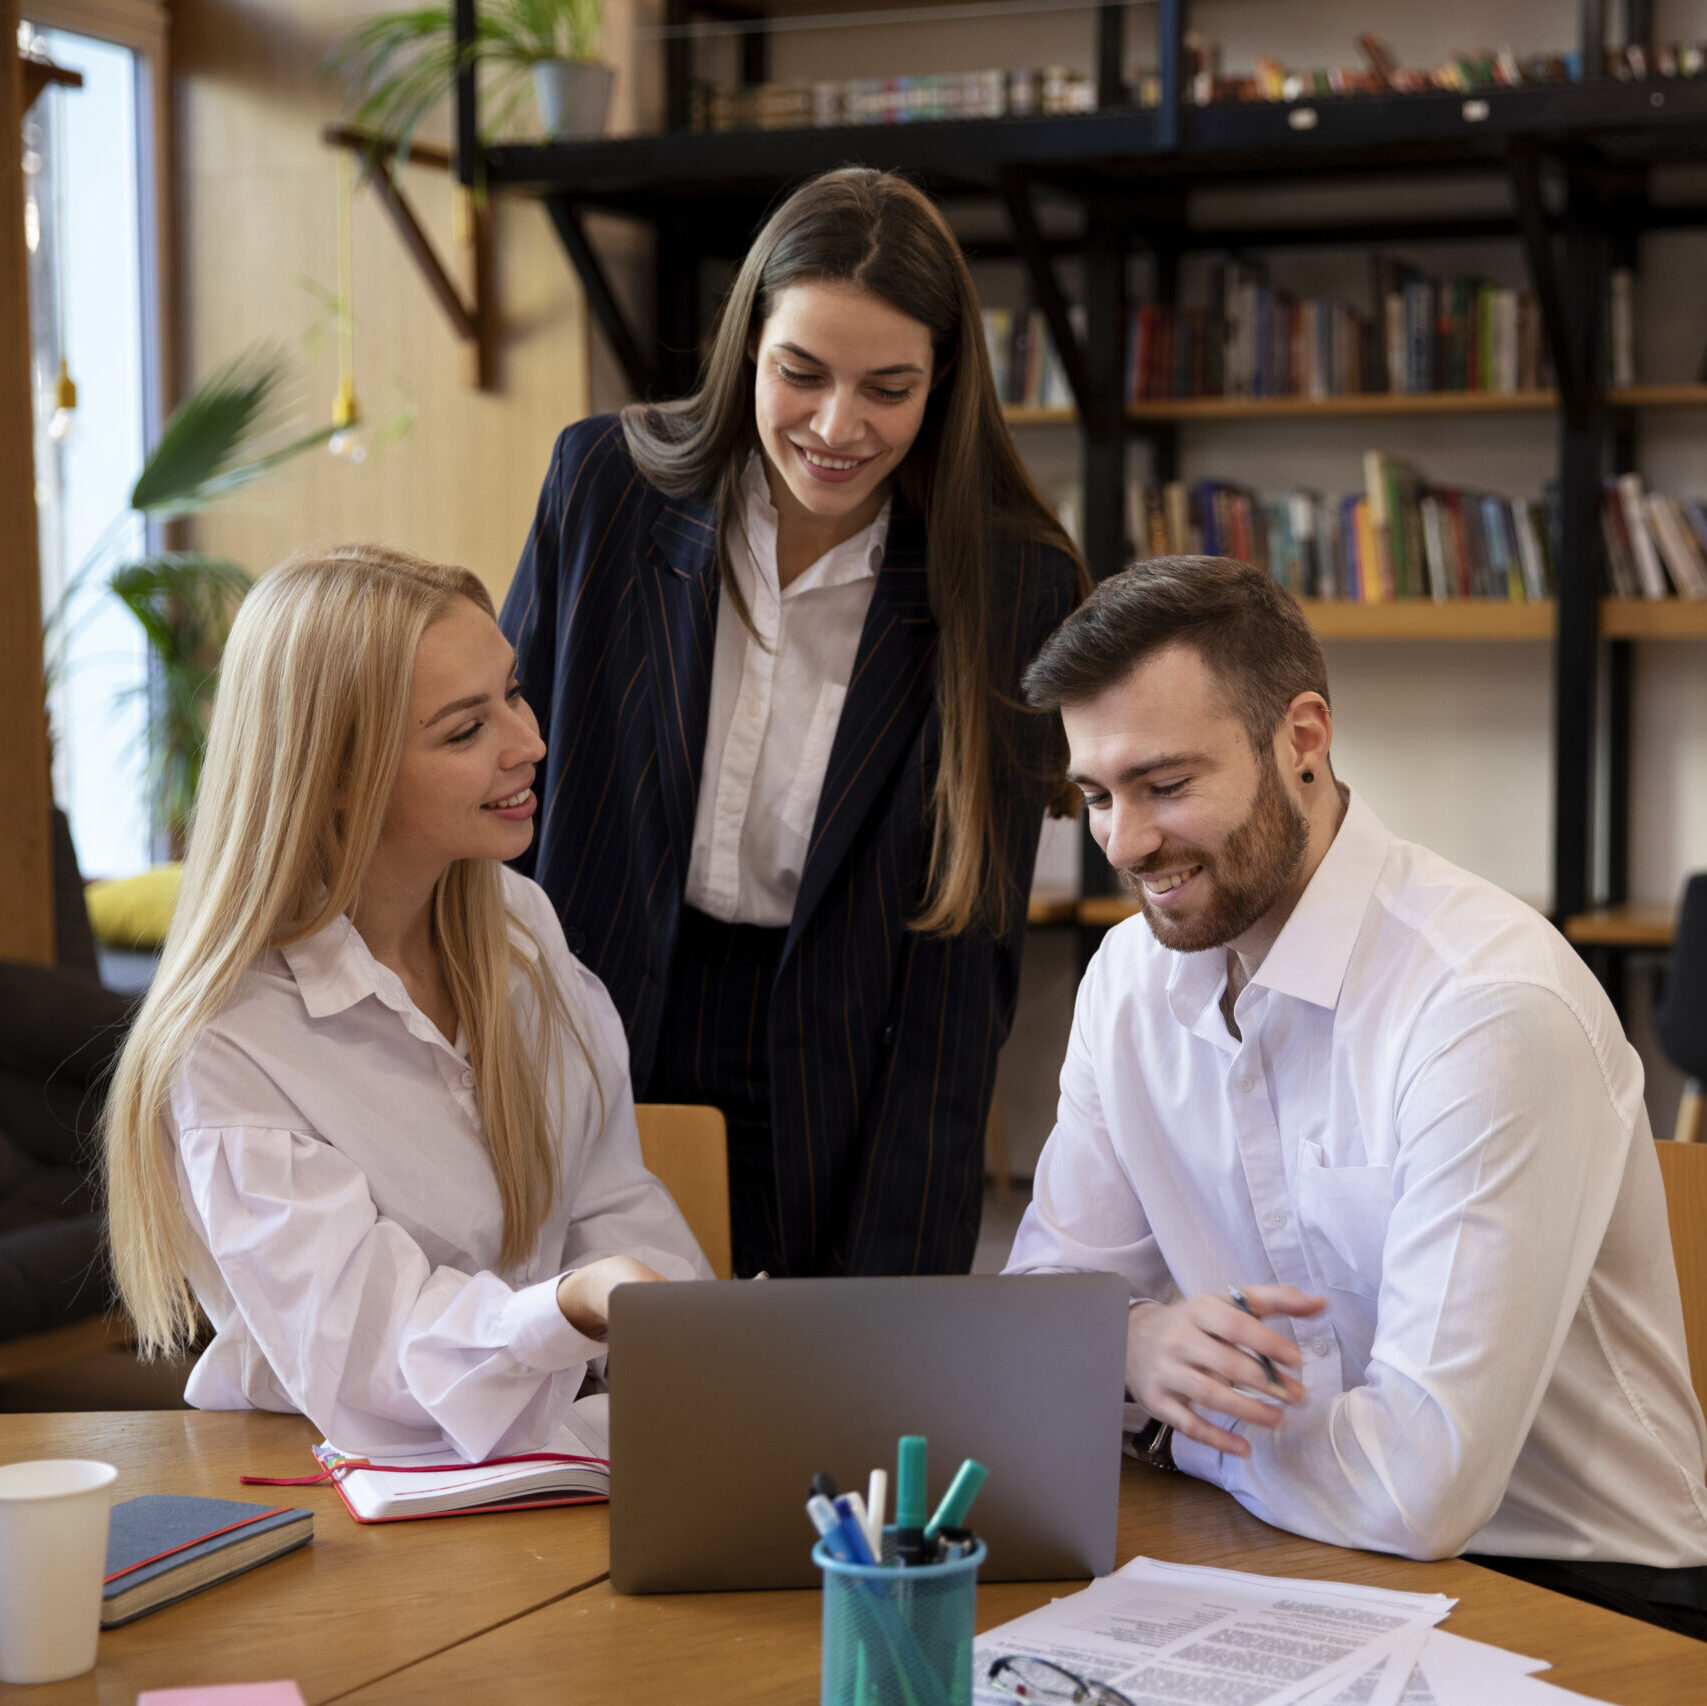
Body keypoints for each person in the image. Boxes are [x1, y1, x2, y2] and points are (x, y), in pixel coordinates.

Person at [1006, 555, 1707, 1638]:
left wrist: (1151, 1415)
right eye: (1097, 796)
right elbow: (1038, 1316)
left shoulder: (1485, 1005)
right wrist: (1133, 1340)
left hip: (1576, 1589)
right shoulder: (1127, 980)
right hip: (1283, 1547)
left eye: (1166, 784)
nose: (1127, 842)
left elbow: (1420, 1483)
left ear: (1302, 739)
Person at [502, 167, 1086, 1279]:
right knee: (565, 1389)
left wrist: (900, 1300)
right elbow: (501, 792)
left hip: (837, 1055)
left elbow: (967, 966)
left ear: (944, 381)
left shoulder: (1009, 580)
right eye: (801, 373)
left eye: (888, 388)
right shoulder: (604, 489)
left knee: (798, 1405)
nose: (836, 426)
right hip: (583, 1012)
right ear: (746, 346)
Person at [103, 546, 711, 1464]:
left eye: (513, 692)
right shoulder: (232, 1044)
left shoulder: (517, 927)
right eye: (466, 731)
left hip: (541, 1459)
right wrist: (573, 1306)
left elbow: (609, 1199)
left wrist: (707, 1351)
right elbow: (371, 1357)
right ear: (337, 775)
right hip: (328, 1488)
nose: (529, 742)